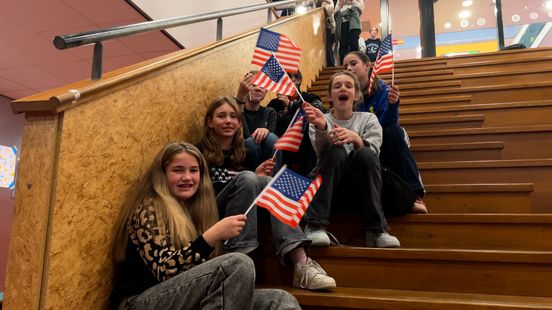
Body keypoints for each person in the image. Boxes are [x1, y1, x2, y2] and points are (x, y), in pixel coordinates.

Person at [111, 142, 301, 309]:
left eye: (193, 171)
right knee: (237, 264)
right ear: (162, 175)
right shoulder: (150, 206)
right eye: (178, 170)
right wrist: (211, 236)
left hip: (186, 295)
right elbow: (164, 270)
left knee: (280, 300)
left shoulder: (196, 209)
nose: (187, 177)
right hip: (141, 301)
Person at [197, 96, 337, 291]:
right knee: (249, 178)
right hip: (214, 211)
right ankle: (238, 263)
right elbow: (200, 192)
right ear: (210, 122)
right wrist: (247, 179)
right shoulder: (199, 151)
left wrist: (255, 177)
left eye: (233, 117)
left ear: (239, 122)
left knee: (267, 181)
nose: (228, 121)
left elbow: (248, 186)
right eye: (221, 116)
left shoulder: (245, 152)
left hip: (243, 213)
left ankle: (301, 263)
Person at [303, 71, 400, 248]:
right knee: (335, 151)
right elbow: (320, 153)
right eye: (337, 86)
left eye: (349, 86)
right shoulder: (320, 119)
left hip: (361, 188)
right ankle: (314, 225)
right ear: (330, 96)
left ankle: (376, 230)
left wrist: (355, 138)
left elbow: (374, 155)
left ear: (356, 95)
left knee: (366, 153)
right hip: (329, 188)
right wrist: (323, 128)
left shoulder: (369, 119)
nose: (343, 89)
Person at [343, 51, 428, 213]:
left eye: (353, 64)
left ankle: (414, 193)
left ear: (368, 66)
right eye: (345, 65)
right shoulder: (346, 95)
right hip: (361, 149)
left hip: (383, 141)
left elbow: (387, 126)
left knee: (394, 131)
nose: (348, 68)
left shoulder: (383, 90)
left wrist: (392, 105)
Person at [267, 71, 327, 177]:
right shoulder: (274, 104)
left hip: (305, 148)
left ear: (298, 80)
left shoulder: (310, 98)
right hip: (283, 149)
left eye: (288, 77)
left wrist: (290, 105)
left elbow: (317, 114)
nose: (284, 81)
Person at [234, 71, 280, 167]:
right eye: (253, 85)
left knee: (271, 138)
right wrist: (240, 96)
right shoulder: (235, 108)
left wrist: (266, 130)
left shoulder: (270, 112)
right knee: (250, 143)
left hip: (266, 160)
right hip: (243, 160)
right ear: (245, 88)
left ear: (266, 92)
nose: (258, 88)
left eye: (262, 86)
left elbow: (274, 143)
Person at [334, 0, 364, 64]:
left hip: (354, 23)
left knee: (354, 43)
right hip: (342, 23)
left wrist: (352, 1)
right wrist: (340, 4)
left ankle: (355, 63)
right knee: (343, 45)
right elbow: (335, 11)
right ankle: (344, 64)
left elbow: (361, 8)